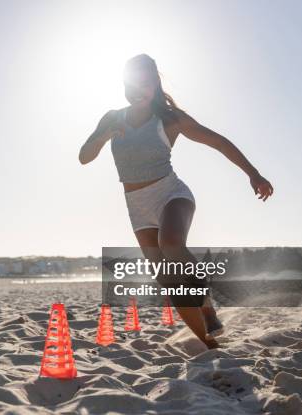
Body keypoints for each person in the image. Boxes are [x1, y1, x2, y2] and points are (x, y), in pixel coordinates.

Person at [79, 54, 274, 349]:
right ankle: (208, 342)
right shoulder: (112, 118)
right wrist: (104, 135)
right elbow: (84, 157)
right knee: (167, 278)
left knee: (171, 244)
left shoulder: (170, 119)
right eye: (129, 83)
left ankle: (206, 304)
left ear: (154, 83)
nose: (135, 89)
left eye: (142, 82)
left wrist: (254, 174)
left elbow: (218, 141)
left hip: (172, 194)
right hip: (137, 206)